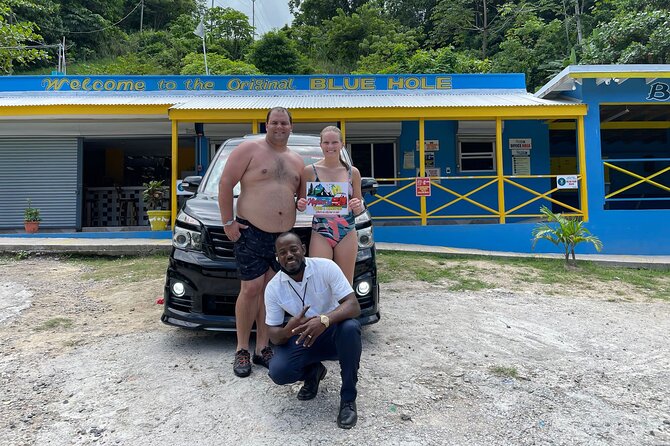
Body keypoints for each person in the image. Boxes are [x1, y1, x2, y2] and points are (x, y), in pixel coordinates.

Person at [218, 107, 304, 378]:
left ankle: (262, 348)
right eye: (274, 122)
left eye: (284, 123)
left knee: (271, 291)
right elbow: (225, 183)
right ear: (266, 125)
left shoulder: (297, 161)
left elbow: (304, 198)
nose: (279, 127)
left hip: (283, 238)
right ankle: (242, 348)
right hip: (251, 231)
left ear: (291, 127)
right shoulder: (248, 150)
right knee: (251, 288)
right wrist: (227, 222)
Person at [265, 231, 362, 429]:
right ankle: (313, 372)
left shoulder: (325, 267)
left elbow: (353, 305)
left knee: (351, 328)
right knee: (279, 371)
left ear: (303, 249)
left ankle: (348, 400)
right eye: (282, 252)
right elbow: (273, 334)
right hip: (304, 337)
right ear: (277, 258)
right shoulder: (273, 288)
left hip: (333, 334)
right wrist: (286, 331)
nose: (289, 255)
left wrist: (325, 320)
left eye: (293, 249)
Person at [296, 126, 365, 283]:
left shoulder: (352, 172)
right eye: (326, 142)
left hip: (347, 231)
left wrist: (357, 205)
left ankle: (345, 308)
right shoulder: (309, 171)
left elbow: (359, 206)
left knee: (345, 283)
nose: (330, 146)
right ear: (320, 145)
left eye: (334, 142)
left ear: (342, 144)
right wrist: (300, 204)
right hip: (321, 231)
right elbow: (301, 203)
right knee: (320, 281)